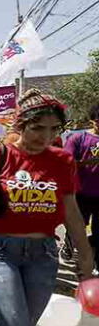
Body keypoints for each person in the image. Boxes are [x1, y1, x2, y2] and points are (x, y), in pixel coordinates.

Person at [0, 89, 95, 326]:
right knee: (14, 325)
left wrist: (85, 253)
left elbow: (72, 211)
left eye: (54, 129)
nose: (47, 137)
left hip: (43, 254)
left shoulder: (63, 160)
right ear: (20, 125)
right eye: (38, 128)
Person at [63, 103, 99, 271]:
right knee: (77, 225)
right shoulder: (78, 138)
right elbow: (65, 163)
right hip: (81, 192)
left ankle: (95, 260)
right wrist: (86, 163)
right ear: (93, 120)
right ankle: (68, 246)